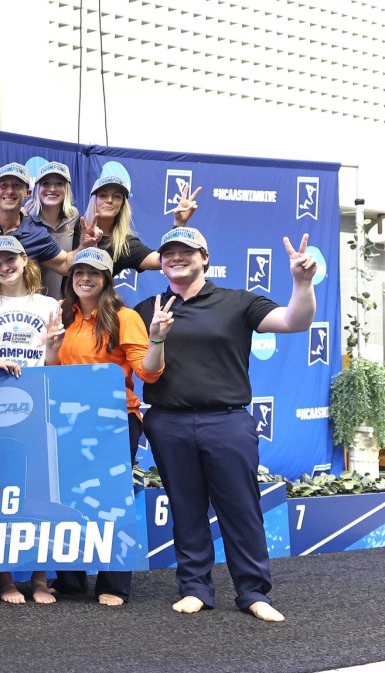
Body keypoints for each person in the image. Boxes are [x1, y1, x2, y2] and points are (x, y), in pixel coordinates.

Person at [135, 226, 315, 623]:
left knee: (242, 508)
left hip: (227, 421)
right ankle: (195, 587)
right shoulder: (147, 308)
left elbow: (294, 321)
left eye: (187, 251)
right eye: (169, 253)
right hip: (168, 422)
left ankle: (253, 591)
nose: (176, 257)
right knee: (186, 508)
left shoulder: (238, 302)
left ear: (205, 258)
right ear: (160, 262)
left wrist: (302, 283)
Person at [43, 247, 173, 606]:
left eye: (94, 273)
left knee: (109, 500)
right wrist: (51, 349)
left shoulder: (124, 317)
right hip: (68, 421)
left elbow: (147, 371)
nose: (85, 278)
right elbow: (54, 375)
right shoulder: (63, 315)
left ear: (106, 279)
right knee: (66, 498)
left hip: (115, 421)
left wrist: (157, 338)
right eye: (79, 272)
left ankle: (113, 584)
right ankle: (69, 581)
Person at [0, 235, 62, 603]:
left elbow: (54, 365)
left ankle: (40, 578)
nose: (4, 267)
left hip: (38, 400)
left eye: (10, 259)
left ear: (24, 259)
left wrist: (55, 345)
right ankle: (6, 579)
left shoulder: (47, 304)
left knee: (38, 488)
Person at [0, 162, 97, 279]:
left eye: (17, 185)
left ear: (27, 193)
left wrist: (85, 245)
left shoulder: (36, 234)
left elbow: (65, 263)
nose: (10, 191)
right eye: (4, 185)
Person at [78, 175, 203, 274]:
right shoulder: (74, 228)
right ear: (93, 201)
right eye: (103, 195)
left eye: (116, 197)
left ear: (122, 206)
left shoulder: (124, 245)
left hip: (96, 305)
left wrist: (179, 224)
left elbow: (160, 260)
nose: (109, 200)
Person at [26, 161, 79, 299]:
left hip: (64, 305)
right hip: (29, 305)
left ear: (67, 188)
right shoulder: (25, 219)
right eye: (46, 183)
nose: (52, 189)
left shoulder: (74, 217)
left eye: (59, 183)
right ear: (37, 188)